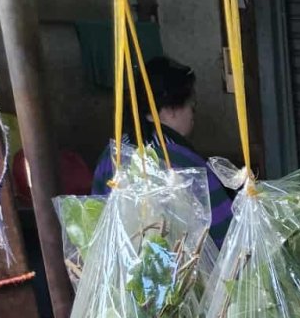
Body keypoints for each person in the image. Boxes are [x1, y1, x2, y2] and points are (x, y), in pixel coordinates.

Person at [92, 56, 233, 247]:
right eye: (193, 108)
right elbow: (226, 235)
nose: (193, 118)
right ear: (170, 110)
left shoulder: (110, 156)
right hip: (183, 275)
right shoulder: (183, 162)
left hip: (120, 274)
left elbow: (95, 220)